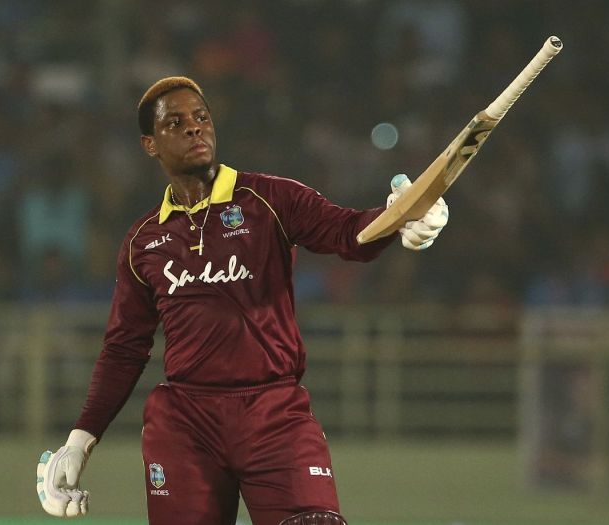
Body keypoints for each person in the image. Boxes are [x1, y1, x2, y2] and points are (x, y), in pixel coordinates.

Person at [36, 76, 448, 525]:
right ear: (150, 145)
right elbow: (124, 348)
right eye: (176, 123)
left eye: (201, 117)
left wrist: (403, 214)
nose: (195, 128)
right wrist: (80, 441)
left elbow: (351, 234)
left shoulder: (269, 198)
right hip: (185, 422)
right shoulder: (143, 241)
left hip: (275, 414)